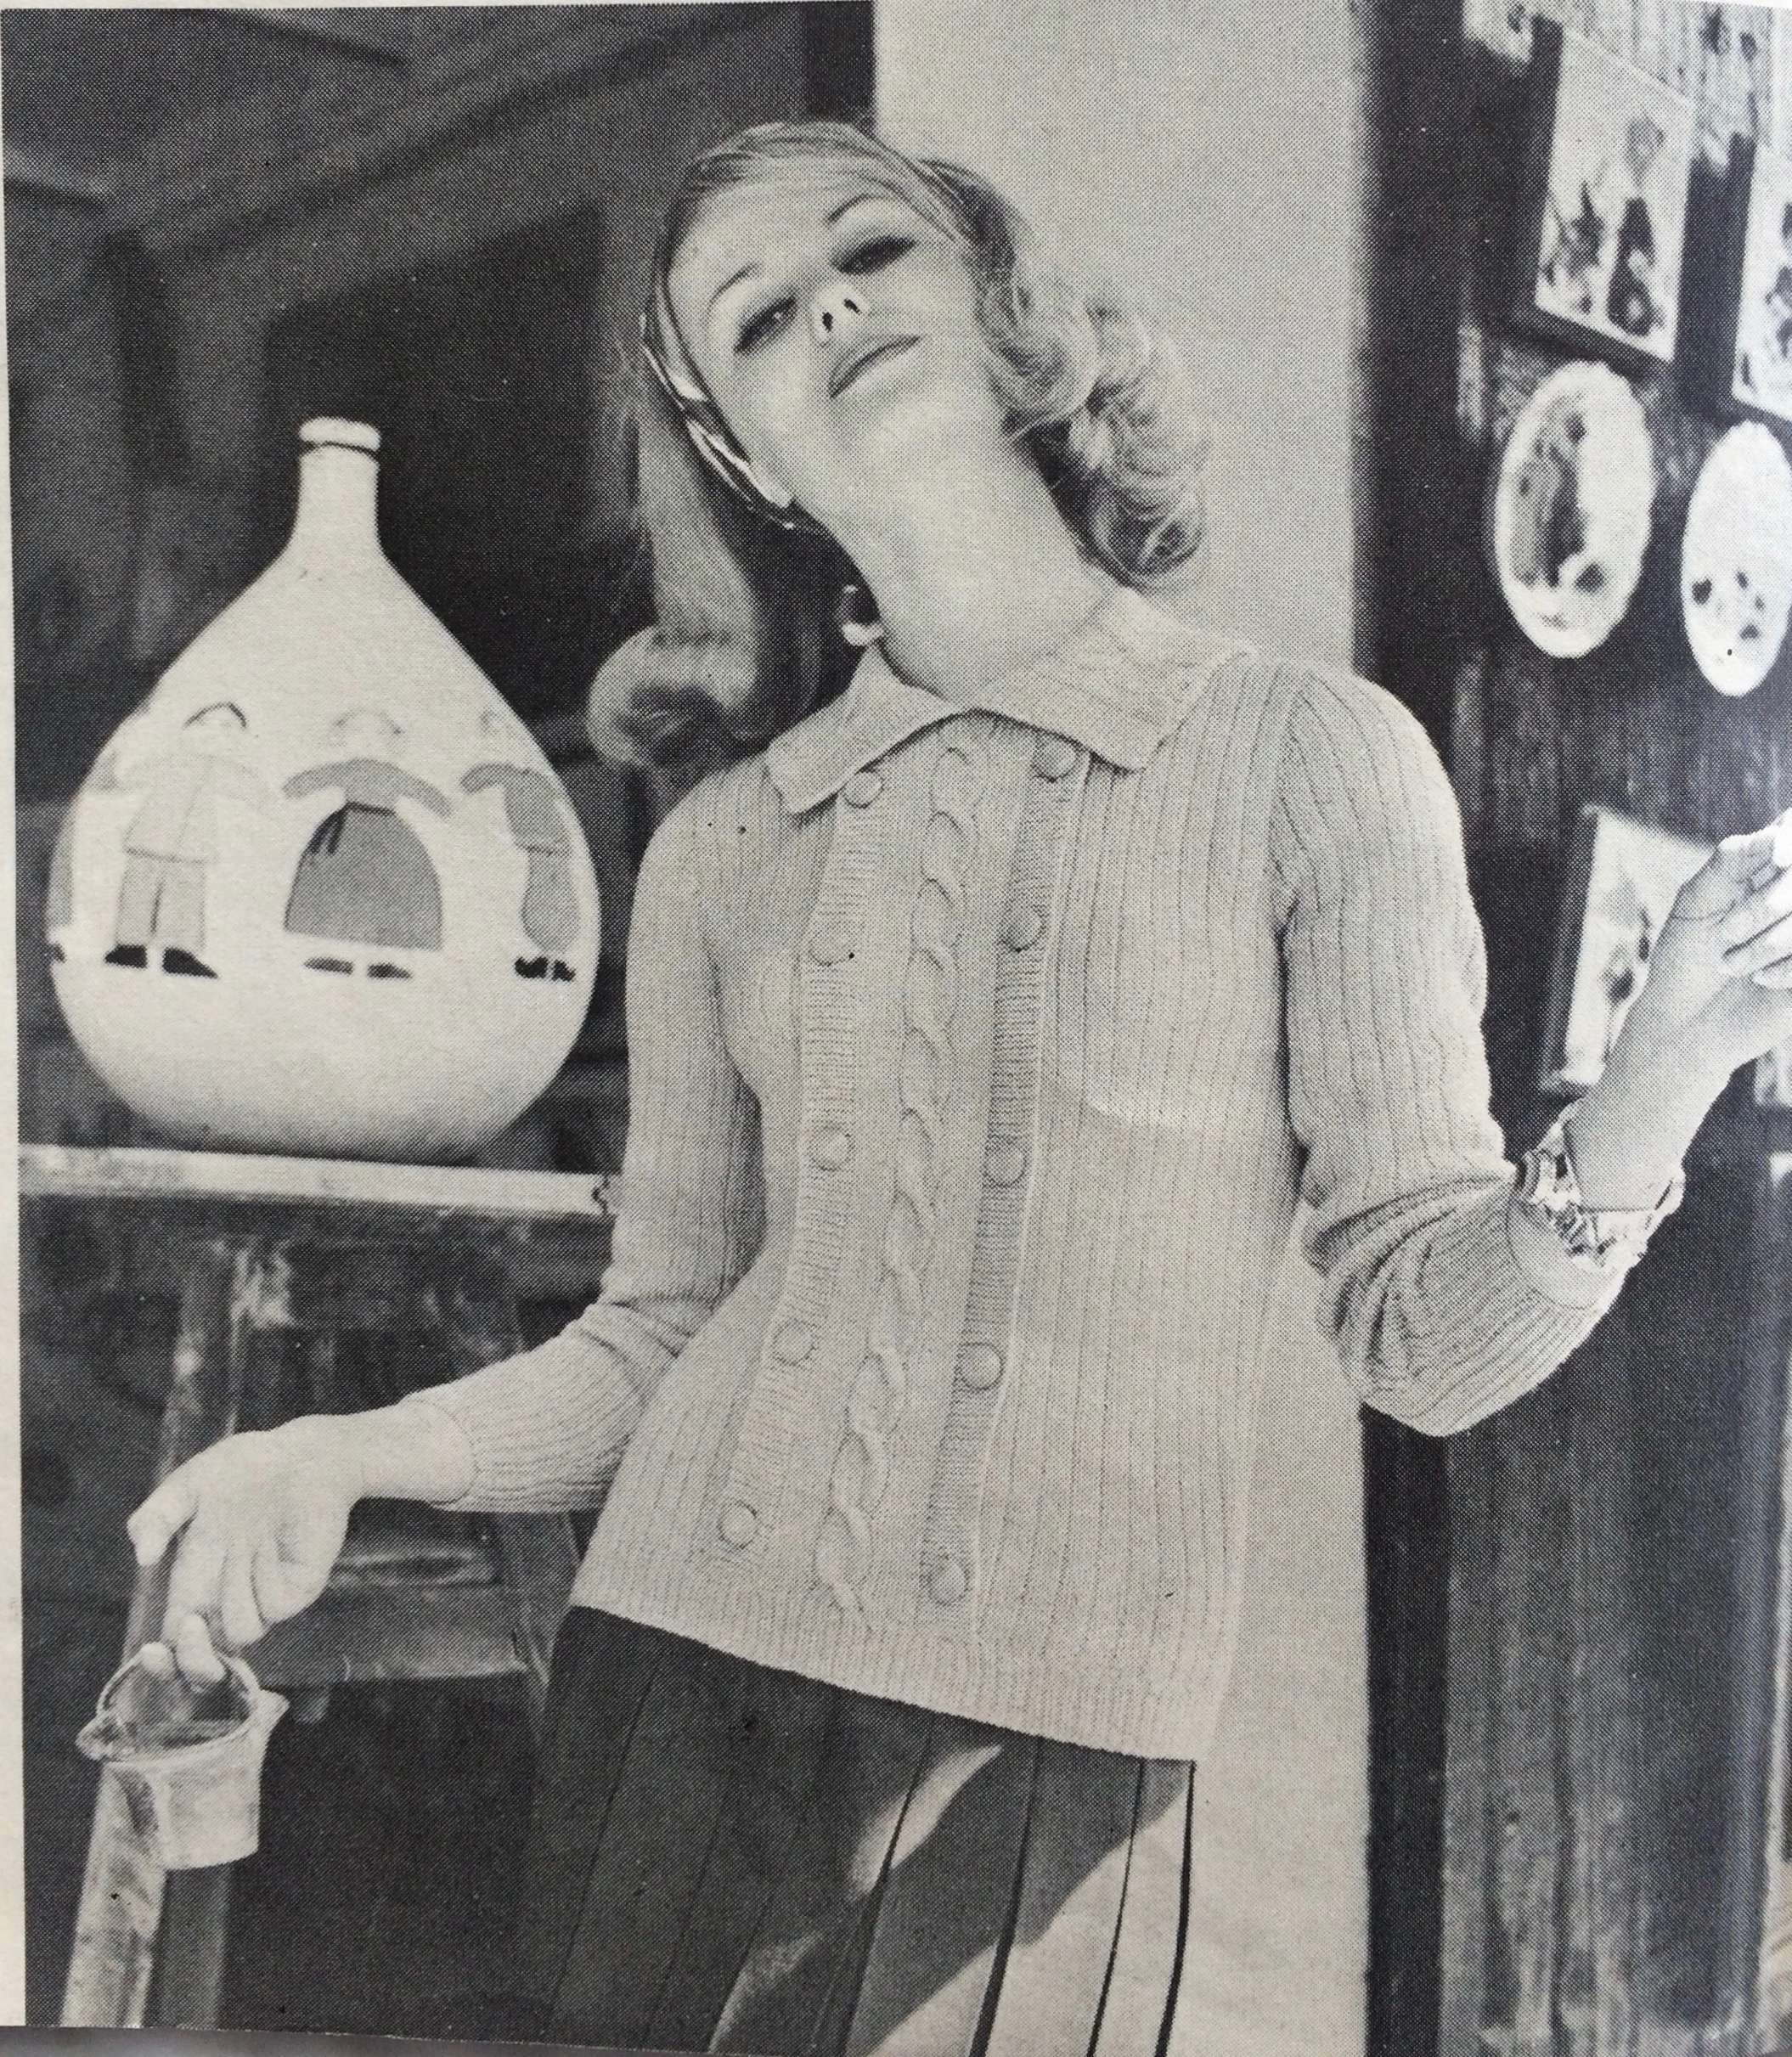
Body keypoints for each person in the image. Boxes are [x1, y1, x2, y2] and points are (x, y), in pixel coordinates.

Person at [127, 122, 1792, 2054]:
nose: (829, 307)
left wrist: (1668, 1064)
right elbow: (657, 1330)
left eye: (871, 252)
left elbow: (1423, 1336)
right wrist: (338, 1451)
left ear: (1004, 314)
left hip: (1056, 1738)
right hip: (670, 1677)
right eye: (758, 317)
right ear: (745, 458)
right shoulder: (725, 846)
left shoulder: (1314, 759)